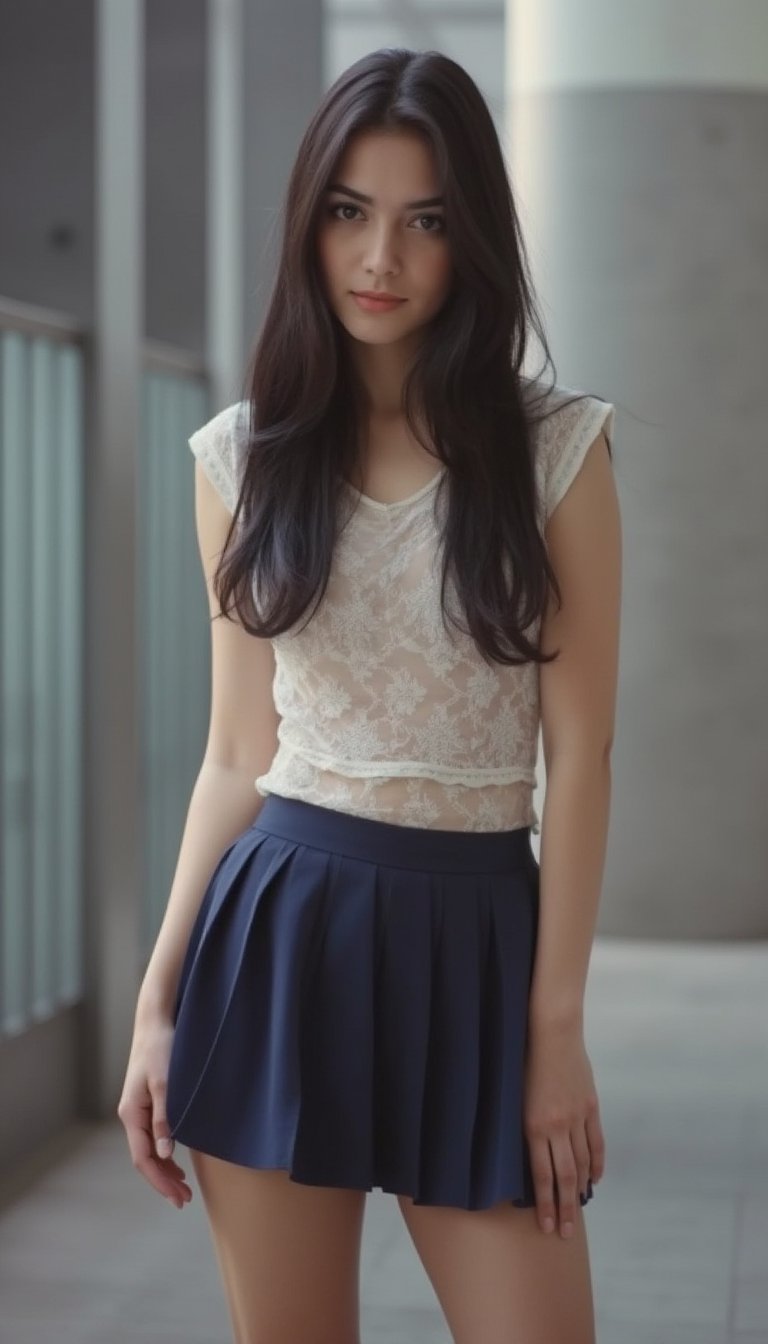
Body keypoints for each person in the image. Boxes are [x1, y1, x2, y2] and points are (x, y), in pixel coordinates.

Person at [118, 46, 621, 1344]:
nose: (379, 256)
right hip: (281, 940)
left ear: (474, 243)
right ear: (309, 224)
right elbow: (238, 751)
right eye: (348, 211)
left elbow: (582, 751)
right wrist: (158, 1002)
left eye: (424, 220)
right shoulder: (239, 459)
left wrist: (554, 1030)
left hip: (478, 945)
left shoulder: (557, 453)